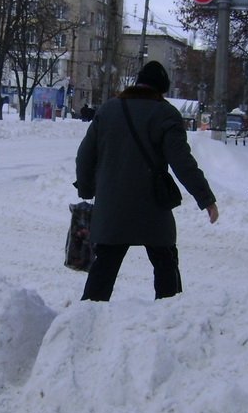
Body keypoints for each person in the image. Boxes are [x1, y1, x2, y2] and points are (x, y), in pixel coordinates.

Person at [75, 60, 219, 301]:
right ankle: (170, 315)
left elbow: (84, 156)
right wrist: (206, 199)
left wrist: (87, 190)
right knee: (165, 262)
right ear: (161, 89)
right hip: (152, 205)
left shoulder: (108, 110)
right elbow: (182, 162)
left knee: (105, 266)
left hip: (112, 205)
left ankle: (88, 317)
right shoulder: (166, 114)